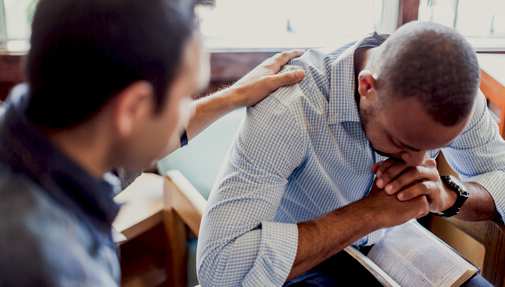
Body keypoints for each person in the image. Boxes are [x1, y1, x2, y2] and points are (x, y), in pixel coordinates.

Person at [0, 0, 306, 285]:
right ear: (133, 109)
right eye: (184, 97)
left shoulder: (41, 132)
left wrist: (234, 96)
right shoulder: (57, 269)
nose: (187, 108)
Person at [197, 21, 505, 286]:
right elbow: (220, 269)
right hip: (295, 260)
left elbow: (500, 176)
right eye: (403, 143)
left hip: (392, 244)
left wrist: (448, 195)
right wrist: (370, 214)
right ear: (367, 86)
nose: (419, 162)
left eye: (432, 147)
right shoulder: (289, 108)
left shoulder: (454, 94)